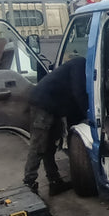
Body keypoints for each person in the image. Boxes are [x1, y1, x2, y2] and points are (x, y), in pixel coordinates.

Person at [23, 56, 89, 195]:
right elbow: (78, 93)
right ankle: (28, 184)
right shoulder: (80, 63)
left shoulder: (81, 67)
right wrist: (90, 115)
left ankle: (55, 182)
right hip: (43, 104)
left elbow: (74, 100)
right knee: (38, 146)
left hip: (54, 107)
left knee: (49, 146)